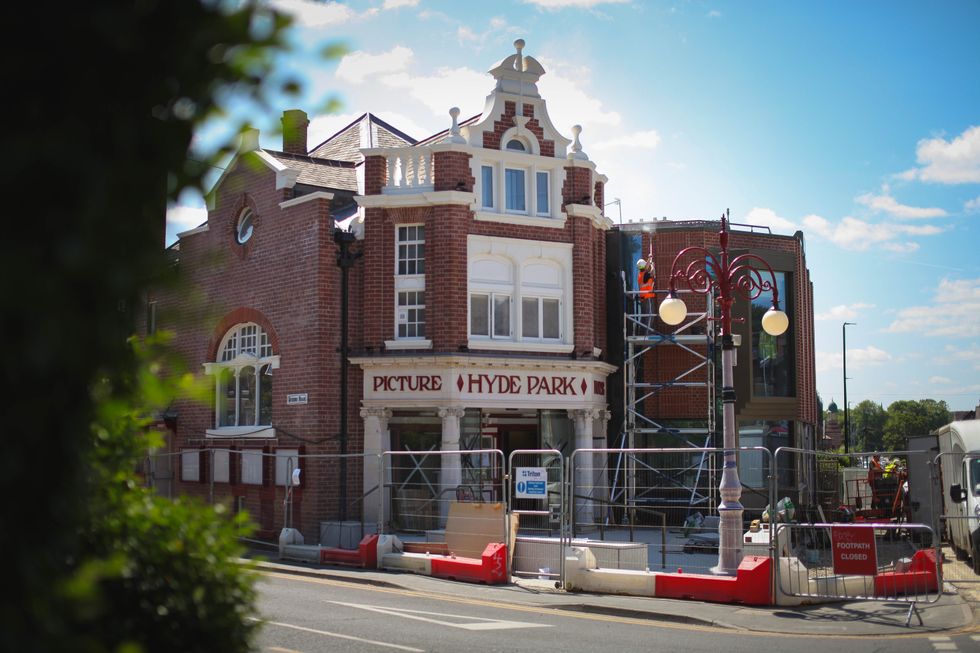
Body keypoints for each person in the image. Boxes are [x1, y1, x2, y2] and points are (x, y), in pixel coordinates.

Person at [636, 258, 656, 332]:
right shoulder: (645, 274)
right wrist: (651, 263)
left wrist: (651, 263)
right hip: (648, 297)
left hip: (643, 298)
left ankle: (643, 332)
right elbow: (651, 273)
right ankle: (647, 333)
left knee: (645, 316)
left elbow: (651, 274)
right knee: (650, 315)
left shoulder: (641, 275)